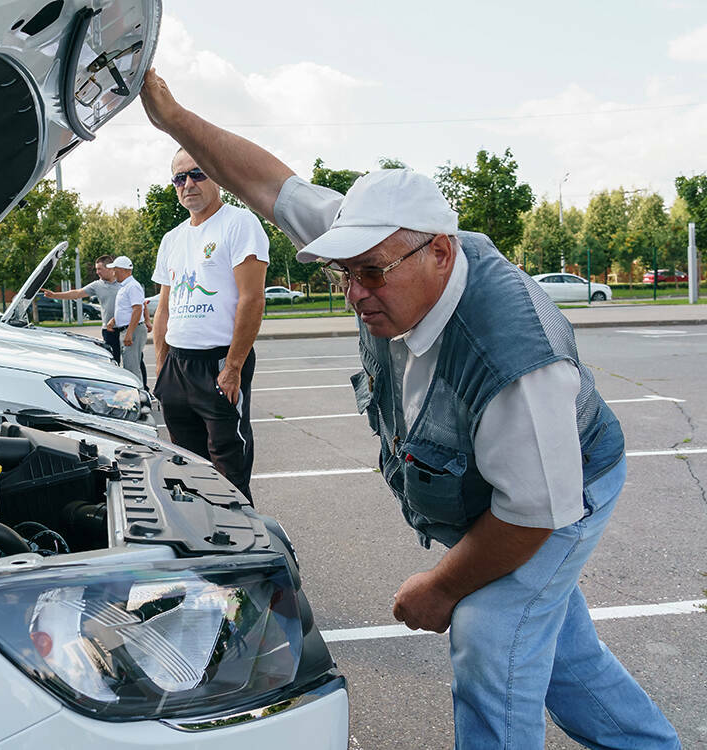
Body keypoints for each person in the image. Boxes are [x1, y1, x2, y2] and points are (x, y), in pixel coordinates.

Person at [138, 68, 679, 748]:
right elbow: (264, 183)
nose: (355, 293)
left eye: (370, 273)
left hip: (558, 493)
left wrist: (441, 587)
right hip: (503, 494)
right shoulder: (378, 234)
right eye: (342, 275)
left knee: (490, 640)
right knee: (561, 659)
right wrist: (173, 117)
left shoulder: (518, 366)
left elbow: (532, 512)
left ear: (441, 253)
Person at [149, 147, 269, 501]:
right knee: (188, 468)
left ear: (216, 175)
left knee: (228, 468)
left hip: (219, 364)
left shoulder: (239, 223)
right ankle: (203, 540)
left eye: (197, 173)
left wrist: (233, 367)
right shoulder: (172, 239)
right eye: (180, 177)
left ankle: (242, 544)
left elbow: (252, 298)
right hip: (177, 367)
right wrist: (161, 364)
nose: (188, 183)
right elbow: (164, 307)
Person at [41, 255, 122, 361]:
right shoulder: (97, 285)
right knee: (114, 360)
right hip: (109, 330)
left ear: (110, 268)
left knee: (136, 359)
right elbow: (76, 293)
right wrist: (55, 295)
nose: (97, 272)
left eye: (99, 269)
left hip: (126, 327)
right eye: (96, 269)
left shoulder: (123, 283)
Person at [104, 255, 147, 383]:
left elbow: (137, 309)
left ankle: (138, 398)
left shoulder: (132, 286)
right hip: (128, 329)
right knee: (131, 367)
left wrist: (129, 333)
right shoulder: (126, 286)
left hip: (132, 330)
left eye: (115, 269)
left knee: (132, 369)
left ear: (123, 270)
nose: (113, 273)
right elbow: (127, 309)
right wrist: (114, 320)